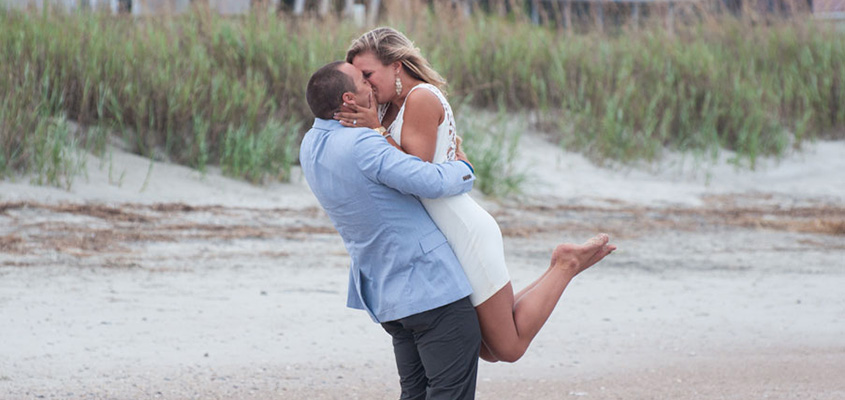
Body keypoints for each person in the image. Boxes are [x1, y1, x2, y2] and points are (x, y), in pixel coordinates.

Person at [334, 27, 617, 363]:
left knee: (508, 348)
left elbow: (415, 173)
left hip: (462, 230)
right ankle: (558, 264)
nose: (365, 85)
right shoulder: (386, 108)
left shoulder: (420, 98)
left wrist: (375, 132)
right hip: (440, 236)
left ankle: (565, 265)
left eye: (368, 75)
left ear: (396, 65)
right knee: (483, 346)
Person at [301, 60, 482, 400]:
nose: (371, 85)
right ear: (348, 100)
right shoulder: (362, 146)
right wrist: (464, 167)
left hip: (389, 297)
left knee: (414, 394)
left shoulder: (310, 144)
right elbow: (428, 180)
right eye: (363, 81)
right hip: (431, 289)